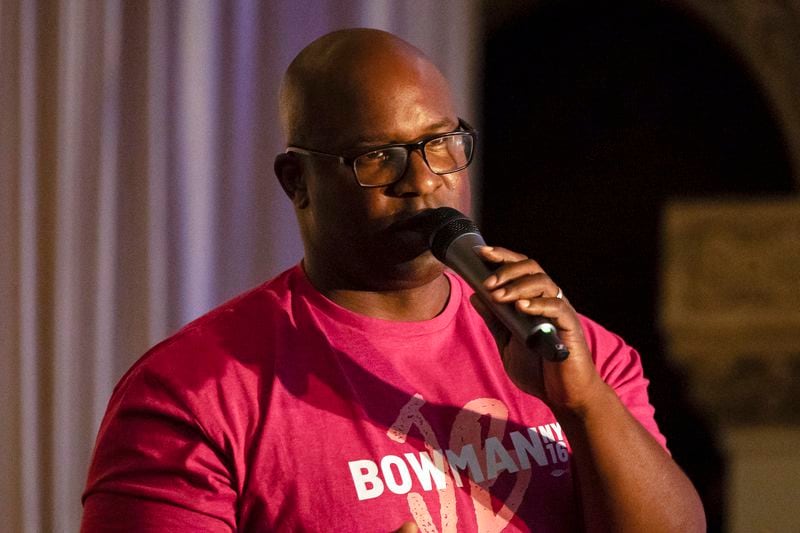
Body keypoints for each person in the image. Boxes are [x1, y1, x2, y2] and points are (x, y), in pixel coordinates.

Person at [81, 28, 705, 532]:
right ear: (296, 181)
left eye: (441, 143)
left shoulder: (569, 350)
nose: (423, 180)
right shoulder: (196, 392)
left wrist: (584, 404)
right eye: (377, 157)